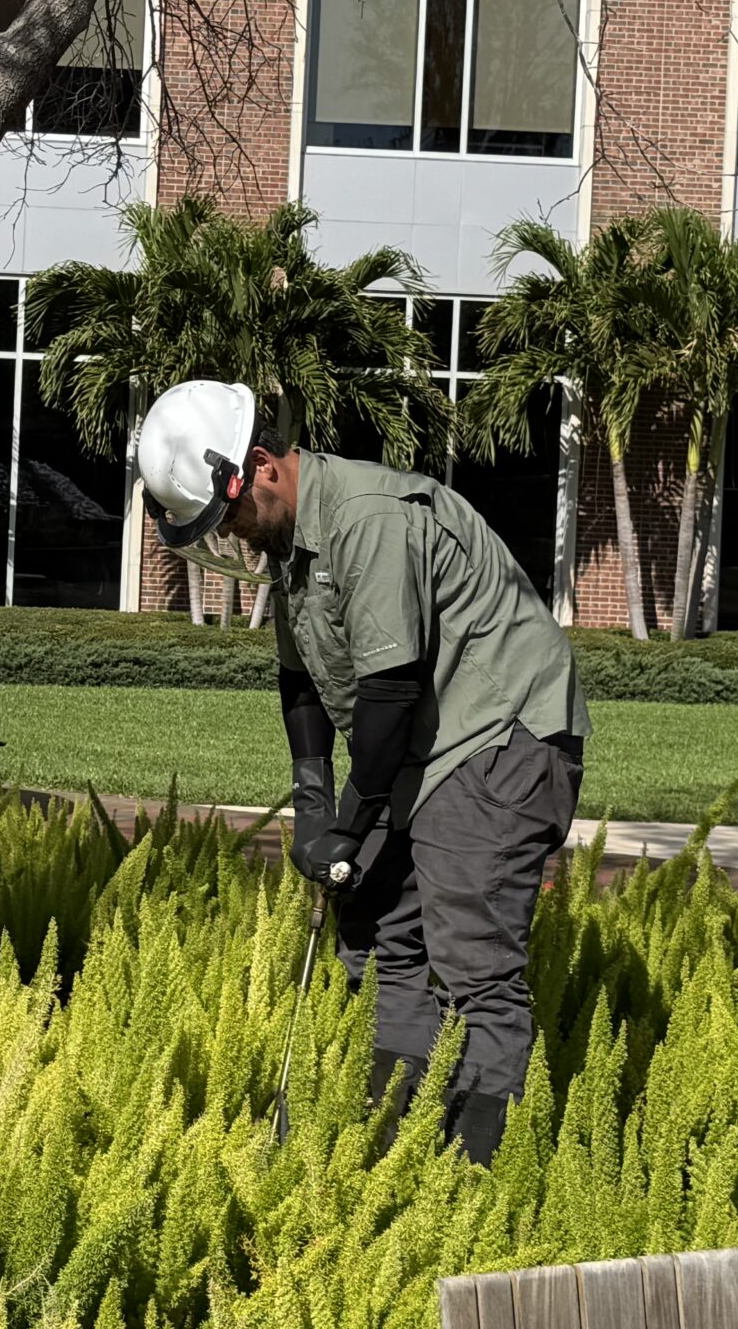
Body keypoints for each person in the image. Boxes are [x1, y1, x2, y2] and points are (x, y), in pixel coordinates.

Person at [131, 378, 589, 1162]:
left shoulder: (367, 521)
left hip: (497, 734)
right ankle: (392, 1151)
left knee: (471, 958)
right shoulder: (289, 548)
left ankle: (482, 1181)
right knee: (375, 928)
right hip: (420, 745)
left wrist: (350, 826)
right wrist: (314, 807)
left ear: (263, 467)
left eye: (231, 515)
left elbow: (389, 690)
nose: (235, 537)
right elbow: (300, 680)